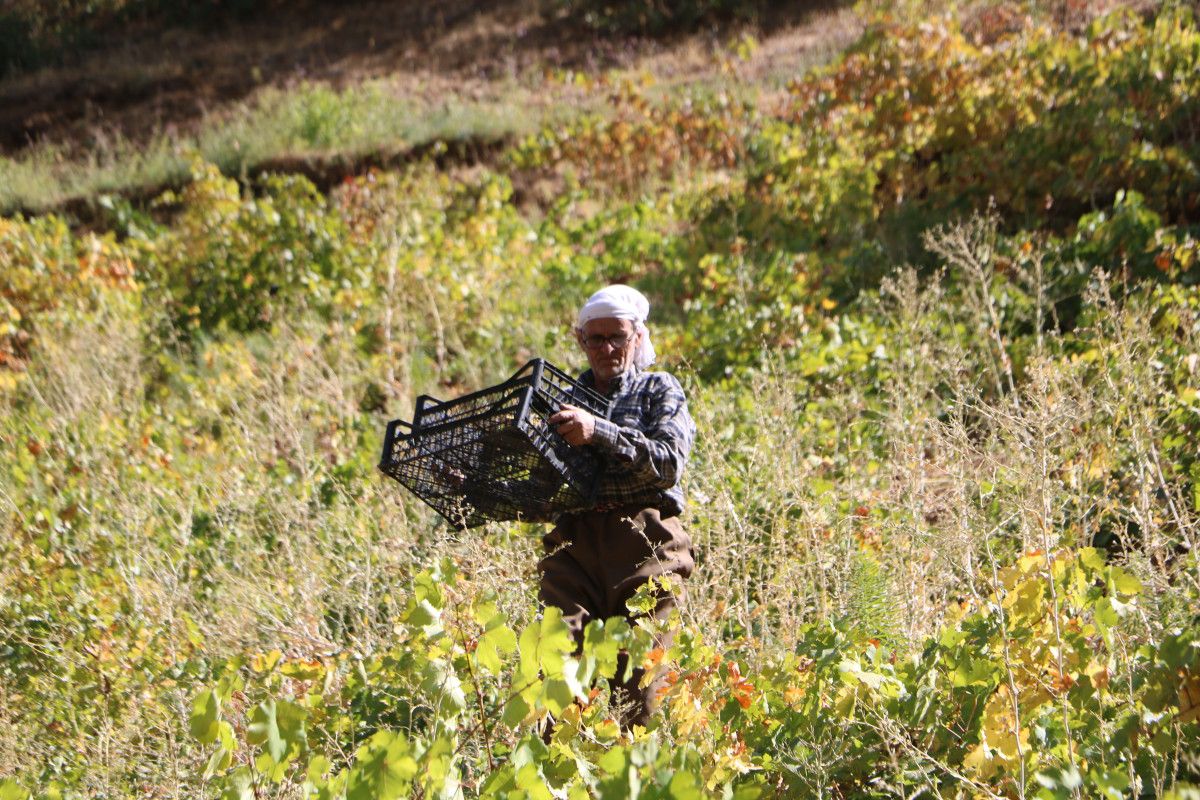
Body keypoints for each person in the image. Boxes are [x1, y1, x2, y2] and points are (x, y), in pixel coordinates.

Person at [543, 284, 696, 729]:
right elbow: (543, 485)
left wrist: (599, 432)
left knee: (640, 694)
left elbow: (667, 463)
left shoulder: (657, 390)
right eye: (596, 338)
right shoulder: (564, 399)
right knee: (558, 685)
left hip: (647, 549)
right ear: (580, 341)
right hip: (572, 555)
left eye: (618, 337)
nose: (607, 348)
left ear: (638, 337)